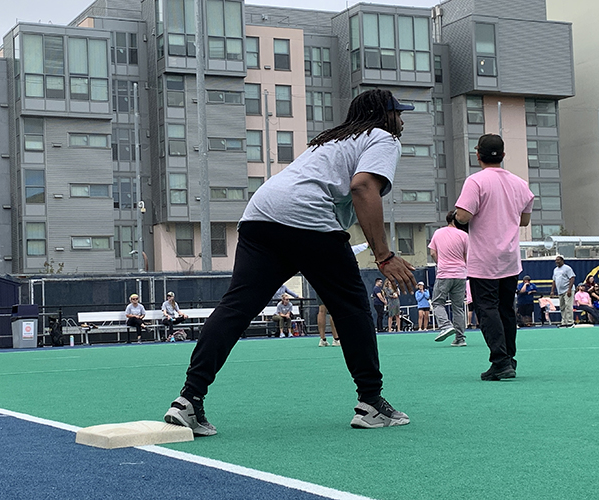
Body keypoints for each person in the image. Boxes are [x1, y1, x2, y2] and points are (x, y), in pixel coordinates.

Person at [163, 89, 417, 435]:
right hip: (308, 218)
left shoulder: (330, 140)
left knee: (236, 308)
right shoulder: (383, 138)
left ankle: (188, 399)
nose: (402, 120)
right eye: (398, 113)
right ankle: (371, 402)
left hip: (260, 214)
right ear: (385, 115)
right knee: (354, 308)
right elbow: (362, 188)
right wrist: (384, 255)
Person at [454, 133, 534, 381]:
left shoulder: (476, 181)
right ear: (503, 155)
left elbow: (463, 216)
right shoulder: (520, 184)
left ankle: (499, 361)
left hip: (484, 259)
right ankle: (509, 358)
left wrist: (457, 219)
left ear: (477, 154)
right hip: (509, 258)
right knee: (506, 310)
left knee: (486, 308)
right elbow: (524, 220)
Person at [429, 210, 469, 346]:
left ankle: (445, 326)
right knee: (458, 307)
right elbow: (466, 256)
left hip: (444, 273)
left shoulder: (438, 233)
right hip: (460, 274)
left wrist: (440, 263)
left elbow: (433, 252)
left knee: (437, 302)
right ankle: (460, 338)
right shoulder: (464, 235)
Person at [550, 255, 575, 327]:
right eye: (556, 260)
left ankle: (570, 322)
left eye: (558, 260)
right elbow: (554, 281)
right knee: (562, 306)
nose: (556, 262)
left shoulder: (567, 268)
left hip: (567, 290)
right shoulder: (555, 270)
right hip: (560, 291)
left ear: (562, 260)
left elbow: (572, 278)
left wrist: (569, 289)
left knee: (568, 305)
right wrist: (552, 291)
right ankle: (564, 322)